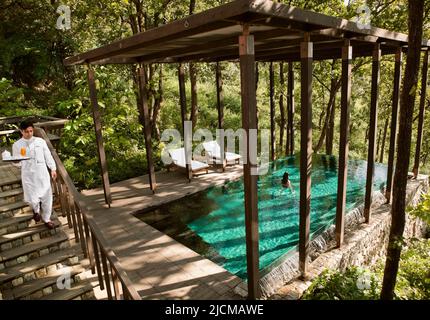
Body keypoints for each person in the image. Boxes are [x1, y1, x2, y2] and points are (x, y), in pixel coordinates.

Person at [12, 120, 57, 229]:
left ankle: (47, 219)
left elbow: (48, 155)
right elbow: (16, 162)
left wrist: (53, 168)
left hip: (42, 173)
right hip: (28, 175)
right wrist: (16, 163)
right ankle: (36, 210)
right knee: (32, 198)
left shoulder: (40, 141)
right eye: (27, 131)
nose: (29, 133)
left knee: (47, 197)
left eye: (31, 131)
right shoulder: (17, 145)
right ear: (21, 131)